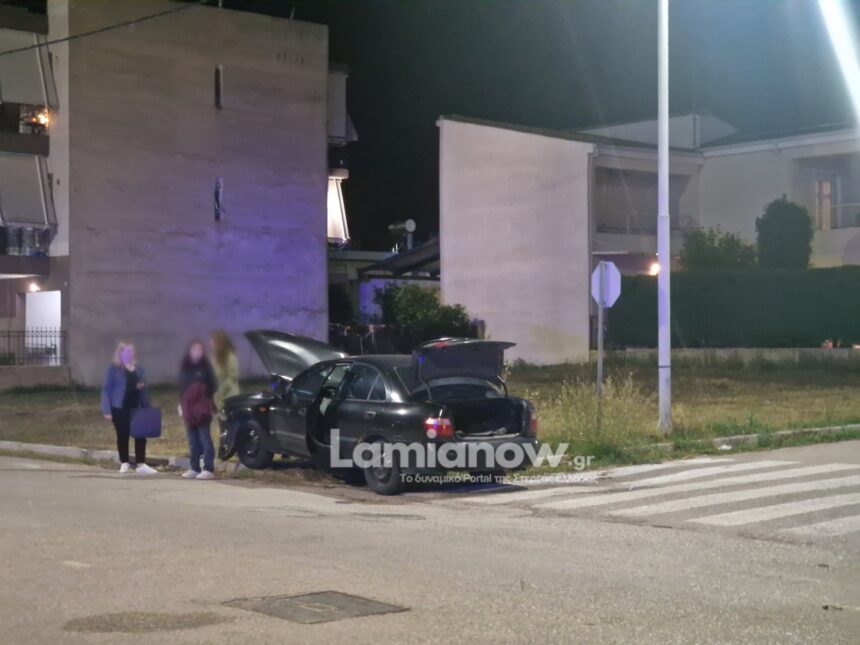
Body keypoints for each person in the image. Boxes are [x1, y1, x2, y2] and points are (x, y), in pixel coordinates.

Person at [100, 341, 158, 474]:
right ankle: (124, 462)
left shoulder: (139, 368)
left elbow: (144, 387)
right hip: (120, 408)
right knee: (123, 434)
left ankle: (141, 464)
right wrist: (106, 410)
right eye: (127, 351)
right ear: (120, 353)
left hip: (137, 406)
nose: (130, 353)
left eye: (132, 350)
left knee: (141, 435)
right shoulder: (114, 369)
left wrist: (142, 387)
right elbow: (106, 389)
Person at [178, 340, 217, 480]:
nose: (197, 352)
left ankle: (208, 468)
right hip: (188, 408)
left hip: (202, 408)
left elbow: (213, 386)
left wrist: (203, 395)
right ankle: (194, 467)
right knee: (192, 440)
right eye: (194, 349)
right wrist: (181, 404)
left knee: (204, 438)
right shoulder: (185, 367)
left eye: (200, 349)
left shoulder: (206, 368)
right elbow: (181, 387)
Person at [210, 330, 239, 412]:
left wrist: (220, 392)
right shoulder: (213, 358)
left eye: (213, 341)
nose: (211, 343)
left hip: (229, 397)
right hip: (217, 399)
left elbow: (232, 378)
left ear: (220, 343)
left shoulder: (230, 357)